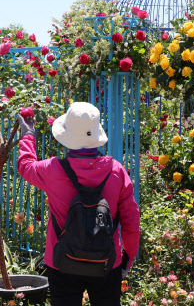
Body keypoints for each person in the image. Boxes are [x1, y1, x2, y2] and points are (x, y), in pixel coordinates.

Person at [18, 102, 140, 306]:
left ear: (67, 136)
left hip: (62, 261)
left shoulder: (51, 169)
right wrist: (128, 257)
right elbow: (130, 219)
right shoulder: (116, 171)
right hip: (107, 262)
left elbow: (25, 166)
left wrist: (28, 135)